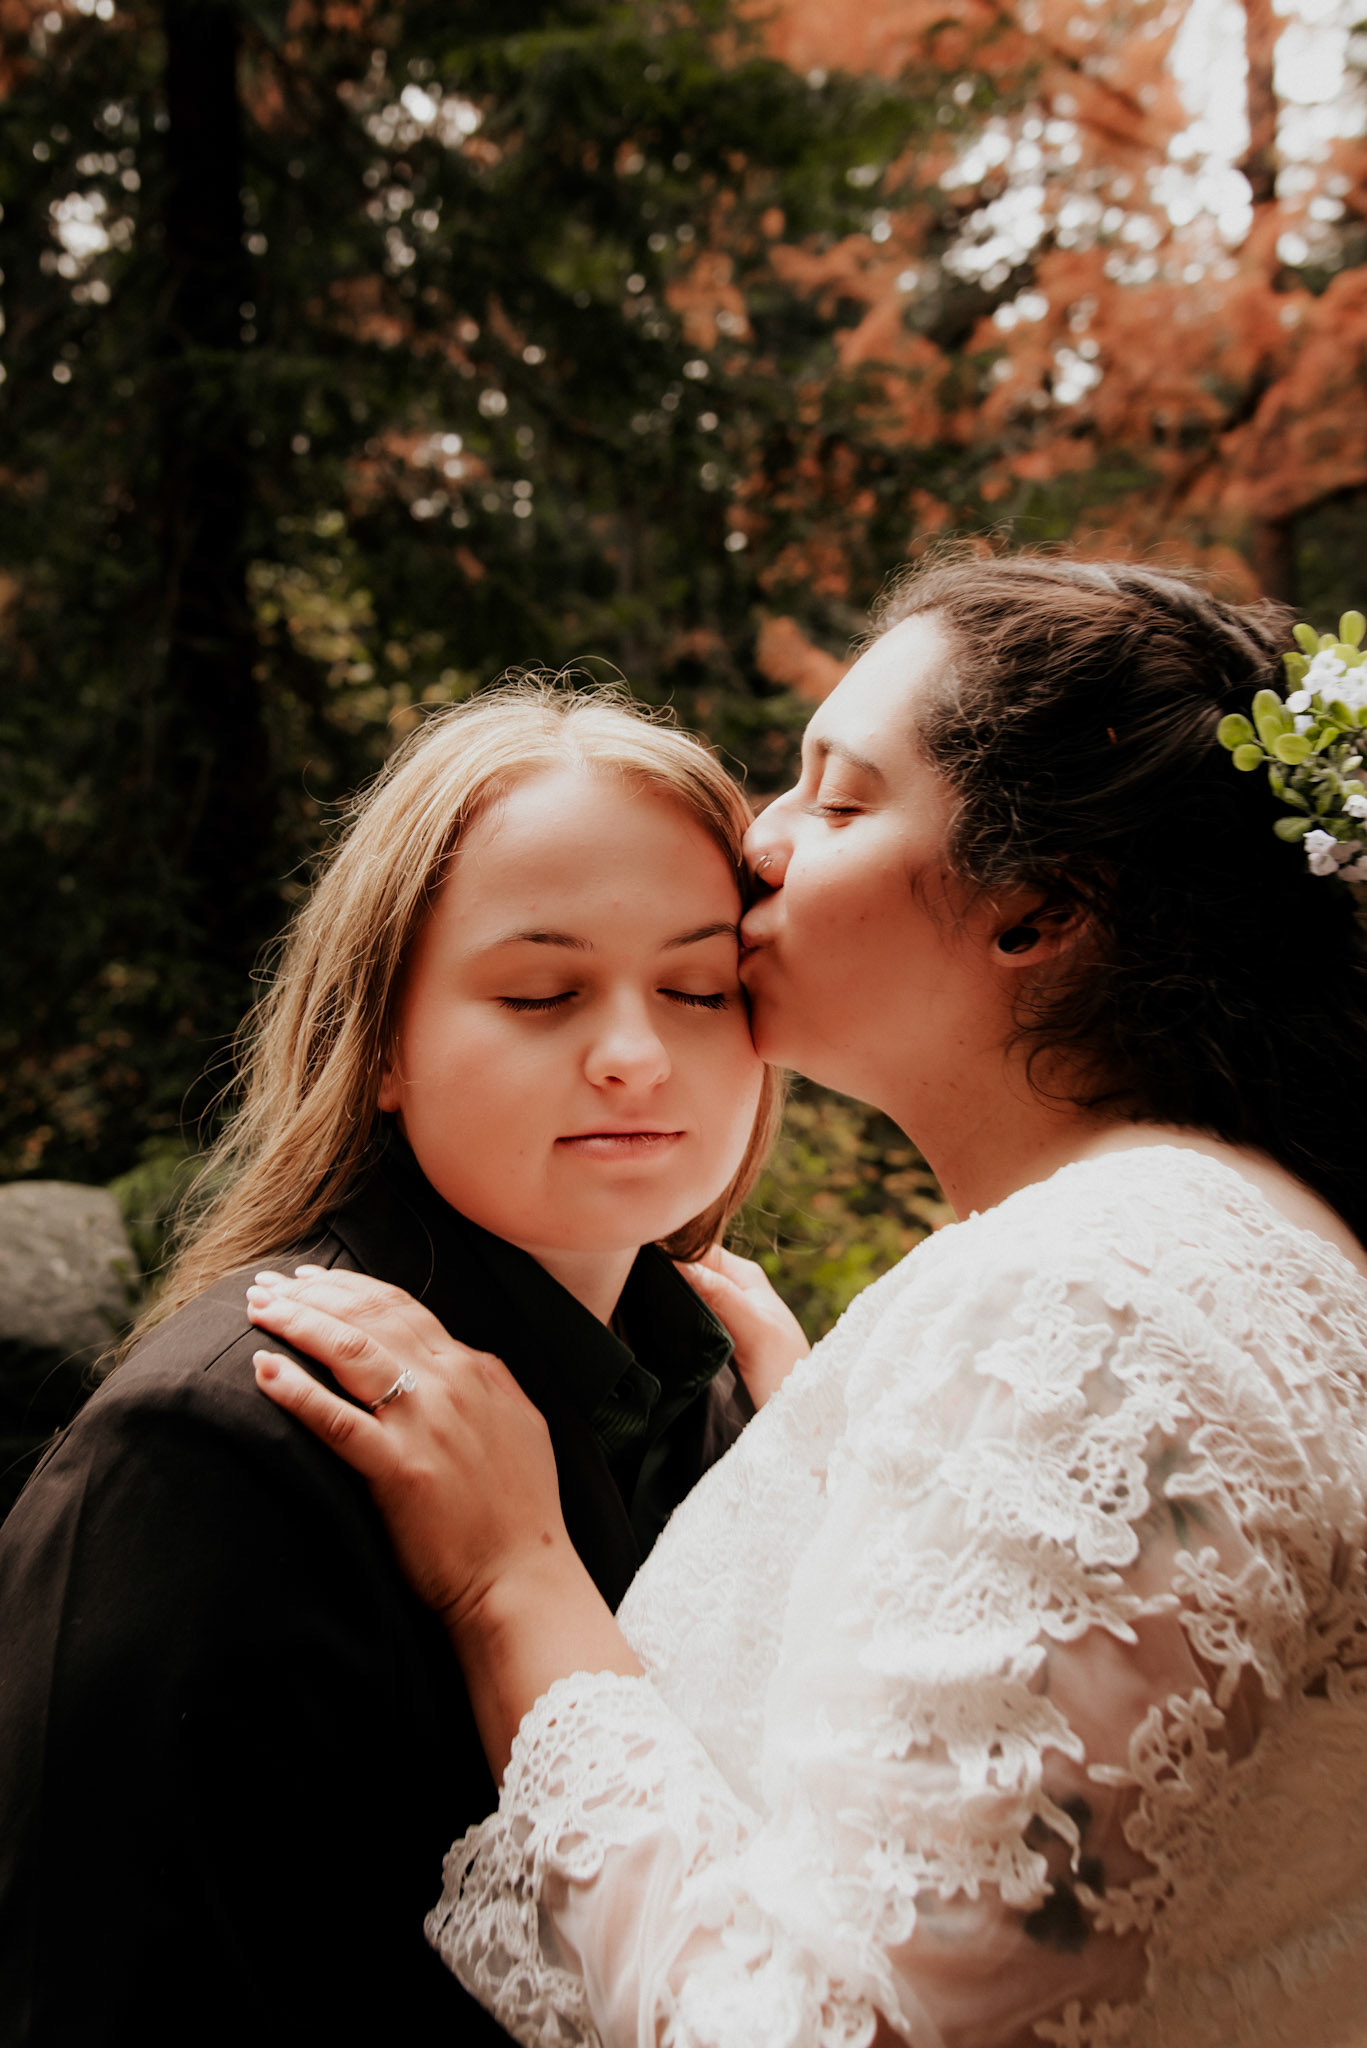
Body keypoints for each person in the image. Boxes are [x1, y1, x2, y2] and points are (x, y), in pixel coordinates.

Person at [252, 555, 1367, 2048]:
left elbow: (833, 2027)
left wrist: (513, 1578)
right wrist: (839, 1458)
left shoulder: (1095, 1311)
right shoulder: (1204, 1248)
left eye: (838, 800)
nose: (758, 844)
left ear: (1036, 911)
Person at [0, 684, 787, 2047]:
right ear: (381, 1048)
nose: (635, 1054)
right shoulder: (224, 1443)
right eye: (541, 993)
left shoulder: (729, 1404)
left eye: (698, 989)